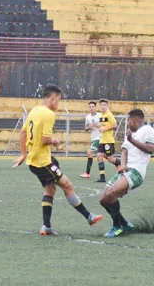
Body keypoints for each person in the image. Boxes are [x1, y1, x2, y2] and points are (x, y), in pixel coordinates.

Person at [12, 85, 102, 235]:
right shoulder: (48, 114)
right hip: (43, 162)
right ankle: (89, 217)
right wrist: (54, 141)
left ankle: (46, 227)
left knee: (50, 189)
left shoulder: (35, 110)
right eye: (58, 100)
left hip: (35, 161)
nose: (58, 105)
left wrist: (23, 154)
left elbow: (23, 133)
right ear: (52, 98)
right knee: (67, 185)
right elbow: (45, 139)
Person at [99, 109, 154, 237]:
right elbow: (125, 151)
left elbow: (152, 149)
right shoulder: (130, 134)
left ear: (134, 120)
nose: (128, 123)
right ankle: (124, 224)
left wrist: (132, 140)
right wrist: (123, 165)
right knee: (104, 200)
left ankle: (117, 226)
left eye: (128, 120)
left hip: (136, 172)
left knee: (111, 194)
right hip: (126, 170)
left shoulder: (147, 130)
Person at [96, 99, 121, 182]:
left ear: (107, 106)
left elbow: (115, 125)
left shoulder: (109, 115)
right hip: (102, 140)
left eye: (104, 105)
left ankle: (120, 163)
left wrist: (105, 129)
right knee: (99, 156)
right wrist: (98, 127)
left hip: (108, 141)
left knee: (110, 158)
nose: (103, 106)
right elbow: (102, 126)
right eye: (101, 105)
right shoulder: (100, 115)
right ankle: (102, 177)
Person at [80, 101, 100, 178]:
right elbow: (86, 129)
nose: (91, 108)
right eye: (90, 107)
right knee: (108, 157)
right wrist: (90, 126)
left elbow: (103, 126)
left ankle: (87, 173)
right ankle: (118, 164)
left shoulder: (100, 115)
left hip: (99, 138)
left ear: (95, 107)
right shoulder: (88, 117)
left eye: (93, 107)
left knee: (89, 153)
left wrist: (96, 125)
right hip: (94, 138)